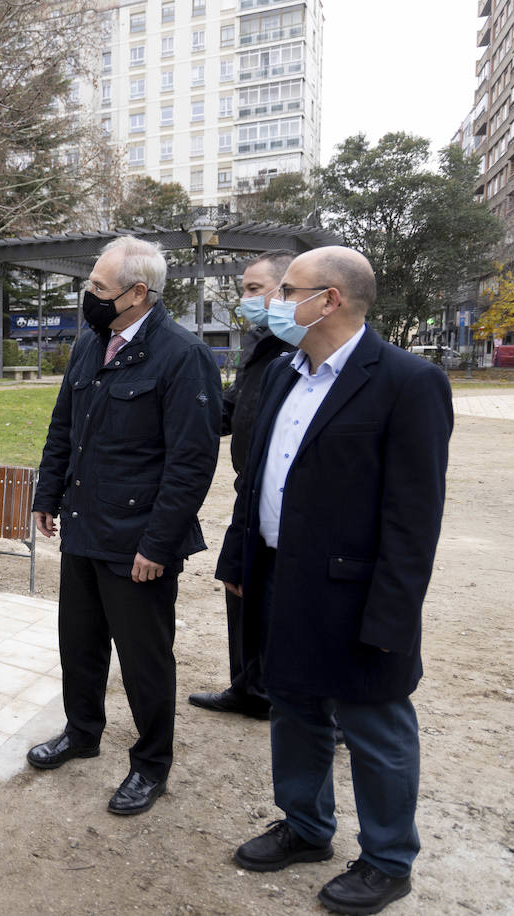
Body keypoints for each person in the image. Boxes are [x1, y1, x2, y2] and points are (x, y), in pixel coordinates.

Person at [217, 247, 452, 915]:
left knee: (375, 727)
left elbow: (414, 518)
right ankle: (306, 825)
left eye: (287, 289)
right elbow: (257, 478)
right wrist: (240, 559)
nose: (273, 301)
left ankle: (386, 860)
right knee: (292, 710)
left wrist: (392, 615)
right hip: (279, 579)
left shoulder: (408, 382)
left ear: (331, 300)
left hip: (355, 594)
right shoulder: (289, 373)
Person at [25, 236, 220, 815]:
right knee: (78, 646)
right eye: (90, 284)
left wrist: (158, 544)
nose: (89, 296)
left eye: (99, 289)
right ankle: (81, 733)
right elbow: (64, 426)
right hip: (85, 528)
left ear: (139, 293)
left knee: (144, 659)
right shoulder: (91, 344)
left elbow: (191, 462)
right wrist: (47, 493)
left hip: (138, 542)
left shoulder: (182, 355)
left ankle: (151, 763)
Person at [187, 249, 295, 720]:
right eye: (244, 289)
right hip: (248, 493)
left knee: (291, 606)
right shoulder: (258, 343)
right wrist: (183, 418)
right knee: (240, 587)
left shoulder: (306, 350)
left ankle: (308, 708)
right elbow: (232, 406)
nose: (245, 300)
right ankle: (248, 688)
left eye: (254, 290)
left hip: (295, 505)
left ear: (287, 292)